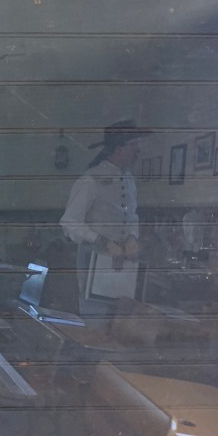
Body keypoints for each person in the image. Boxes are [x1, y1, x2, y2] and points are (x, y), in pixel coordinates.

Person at [60, 120, 148, 320]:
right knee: (96, 317)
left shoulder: (129, 179)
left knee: (121, 318)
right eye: (134, 144)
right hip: (95, 261)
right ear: (119, 149)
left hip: (123, 262)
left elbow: (132, 215)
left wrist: (132, 237)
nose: (138, 149)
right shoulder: (91, 178)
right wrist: (101, 240)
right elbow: (70, 222)